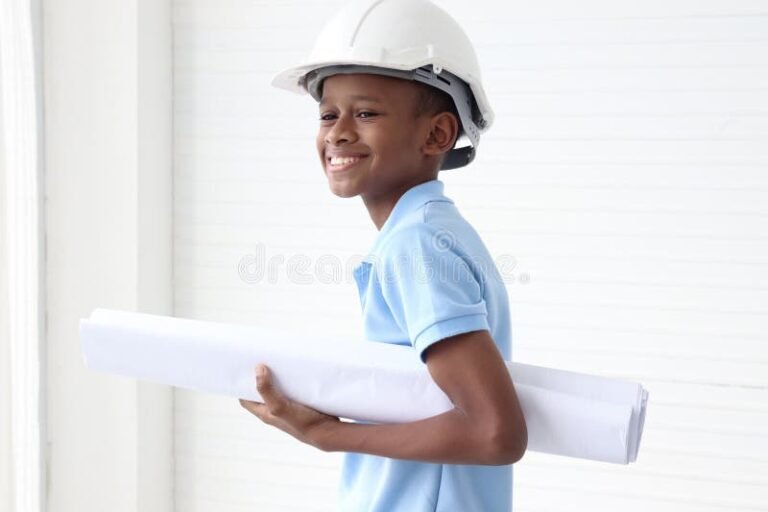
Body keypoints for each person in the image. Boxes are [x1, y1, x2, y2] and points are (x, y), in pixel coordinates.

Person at [238, 0, 528, 510]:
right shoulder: (434, 232)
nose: (338, 132)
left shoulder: (414, 245)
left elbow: (494, 432)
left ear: (437, 134)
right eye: (328, 114)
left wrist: (330, 435)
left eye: (366, 113)